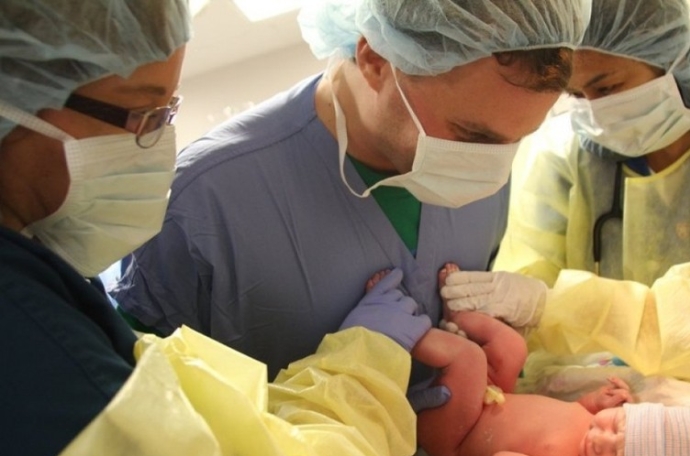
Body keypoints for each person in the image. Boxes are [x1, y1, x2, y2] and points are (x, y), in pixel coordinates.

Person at [0, 0, 431, 456]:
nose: (158, 144)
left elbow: (181, 419)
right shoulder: (24, 340)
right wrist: (360, 378)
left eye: (168, 112)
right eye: (142, 114)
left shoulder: (42, 276)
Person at [109, 0, 592, 390]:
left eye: (518, 139)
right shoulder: (203, 199)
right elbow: (148, 413)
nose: (493, 165)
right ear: (375, 59)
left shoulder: (488, 173)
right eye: (472, 135)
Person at [441, 0, 690, 381]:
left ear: (671, 56)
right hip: (594, 397)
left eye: (607, 86)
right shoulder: (563, 156)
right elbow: (529, 275)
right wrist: (499, 323)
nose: (594, 111)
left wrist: (552, 305)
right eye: (576, 95)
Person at [401, 265, 690, 456]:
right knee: (512, 348)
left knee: (471, 360)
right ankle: (459, 315)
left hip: (458, 436)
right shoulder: (589, 427)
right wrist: (594, 403)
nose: (600, 440)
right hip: (494, 397)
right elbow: (565, 413)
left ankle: (400, 328)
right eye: (617, 425)